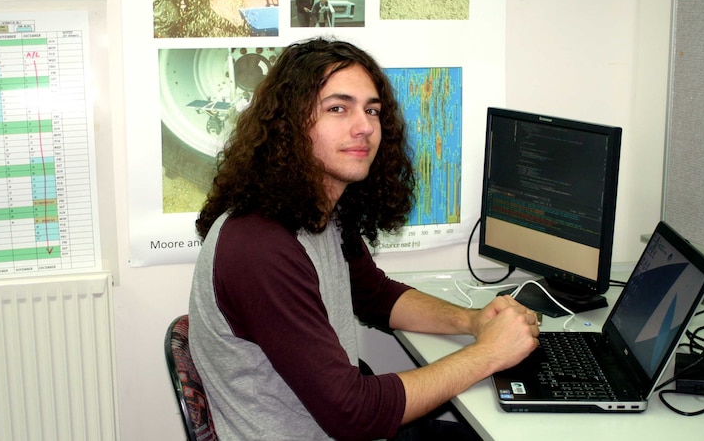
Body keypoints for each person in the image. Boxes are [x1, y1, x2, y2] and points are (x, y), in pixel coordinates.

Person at [189, 37, 540, 440]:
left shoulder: (318, 210)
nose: (365, 127)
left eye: (371, 110)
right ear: (288, 123)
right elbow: (353, 414)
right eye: (338, 108)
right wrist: (489, 354)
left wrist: (473, 321)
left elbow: (375, 296)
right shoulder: (258, 246)